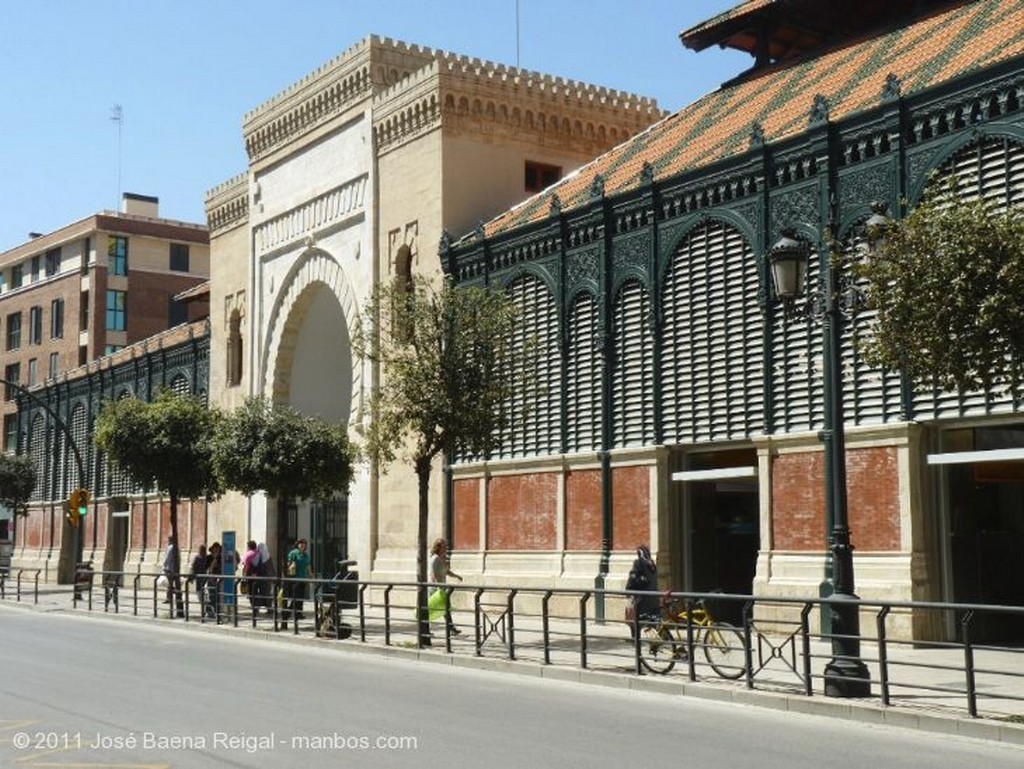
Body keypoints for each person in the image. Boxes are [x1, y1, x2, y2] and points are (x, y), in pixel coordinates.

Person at [428, 538, 463, 638]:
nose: (445, 547)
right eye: (443, 546)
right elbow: (432, 574)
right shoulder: (434, 558)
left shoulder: (443, 558)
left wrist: (457, 576)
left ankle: (451, 629)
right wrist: (438, 586)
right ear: (438, 547)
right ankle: (425, 628)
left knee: (445, 609)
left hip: (442, 587)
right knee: (431, 609)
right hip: (434, 588)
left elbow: (447, 572)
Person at [625, 544, 659, 638]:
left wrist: (628, 589)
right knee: (651, 620)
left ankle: (636, 639)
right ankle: (654, 639)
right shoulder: (652, 564)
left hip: (641, 597)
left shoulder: (638, 562)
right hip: (652, 597)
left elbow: (633, 577)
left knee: (632, 615)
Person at [284, 539, 313, 621]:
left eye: (304, 545)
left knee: (300, 598)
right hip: (294, 579)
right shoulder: (293, 553)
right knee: (296, 597)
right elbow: (288, 564)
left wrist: (311, 577)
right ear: (298, 545)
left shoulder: (306, 555)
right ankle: (288, 612)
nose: (303, 546)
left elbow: (308, 567)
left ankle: (298, 613)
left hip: (303, 579)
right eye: (301, 544)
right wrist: (290, 567)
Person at [162, 536, 184, 618]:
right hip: (175, 568)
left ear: (170, 540)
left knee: (170, 584)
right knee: (170, 583)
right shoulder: (177, 548)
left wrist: (164, 566)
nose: (168, 541)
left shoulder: (171, 547)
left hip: (170, 568)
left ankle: (172, 595)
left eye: (168, 540)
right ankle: (170, 597)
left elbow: (167, 558)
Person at [204, 542, 223, 619]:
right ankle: (211, 612)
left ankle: (216, 612)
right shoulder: (209, 557)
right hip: (211, 579)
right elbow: (207, 567)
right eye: (215, 549)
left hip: (219, 580)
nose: (216, 551)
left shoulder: (220, 557)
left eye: (218, 549)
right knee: (211, 596)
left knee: (217, 596)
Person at [241, 540, 259, 613]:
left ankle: (254, 606)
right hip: (259, 574)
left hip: (250, 575)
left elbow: (245, 566)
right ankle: (257, 605)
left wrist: (244, 576)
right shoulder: (259, 553)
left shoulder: (248, 554)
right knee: (256, 591)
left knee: (251, 591)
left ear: (249, 547)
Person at [189, 544, 208, 611]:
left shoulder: (197, 557)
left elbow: (193, 567)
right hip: (205, 577)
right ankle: (205, 605)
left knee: (199, 591)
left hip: (199, 577)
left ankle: (203, 605)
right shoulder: (207, 557)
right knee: (204, 591)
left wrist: (190, 577)